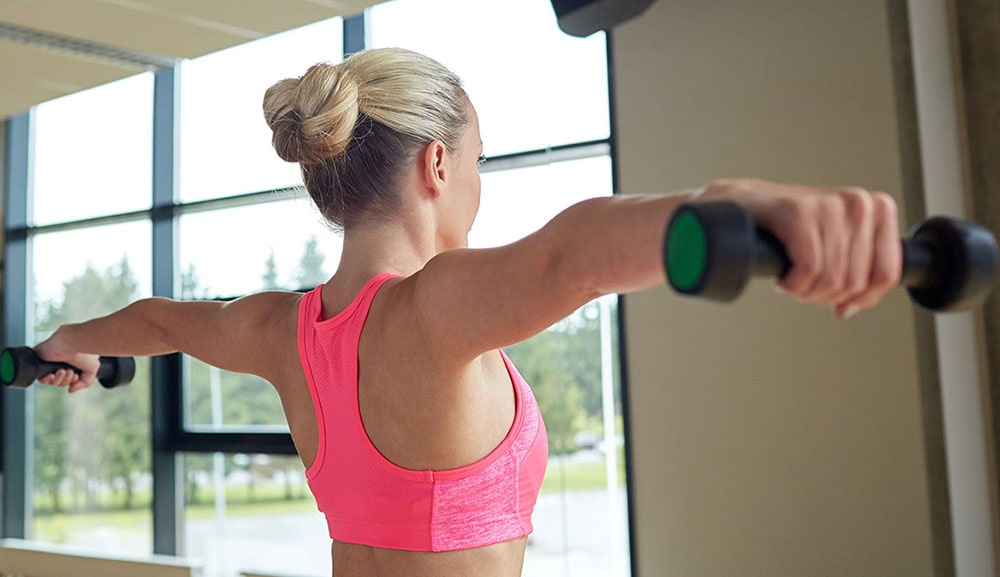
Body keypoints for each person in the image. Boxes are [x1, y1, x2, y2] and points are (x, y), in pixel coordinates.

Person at [32, 47, 902, 577]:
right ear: (439, 166)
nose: (481, 189)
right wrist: (730, 201)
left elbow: (155, 322)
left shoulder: (277, 332)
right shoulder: (428, 315)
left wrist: (67, 342)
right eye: (482, 162)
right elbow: (569, 254)